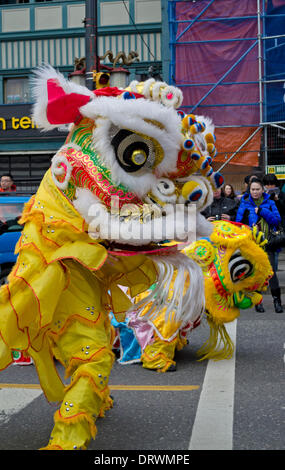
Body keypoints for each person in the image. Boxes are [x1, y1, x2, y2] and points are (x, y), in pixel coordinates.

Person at [236, 178, 283, 313]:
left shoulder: (270, 203)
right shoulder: (244, 203)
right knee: (255, 273)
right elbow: (239, 223)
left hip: (269, 242)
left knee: (271, 273)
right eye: (253, 189)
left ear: (263, 190)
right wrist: (248, 229)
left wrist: (262, 211)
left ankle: (277, 301)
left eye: (257, 189)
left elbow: (276, 221)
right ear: (249, 190)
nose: (255, 192)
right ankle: (258, 301)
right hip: (252, 244)